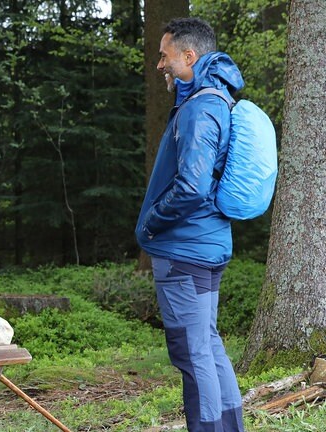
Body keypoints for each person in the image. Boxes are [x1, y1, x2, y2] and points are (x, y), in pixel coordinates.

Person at [135, 18, 245, 432]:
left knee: (191, 353)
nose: (159, 64)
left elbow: (192, 188)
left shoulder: (201, 107)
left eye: (164, 56)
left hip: (184, 251)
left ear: (188, 56)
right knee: (207, 346)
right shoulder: (213, 99)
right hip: (204, 245)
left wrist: (150, 226)